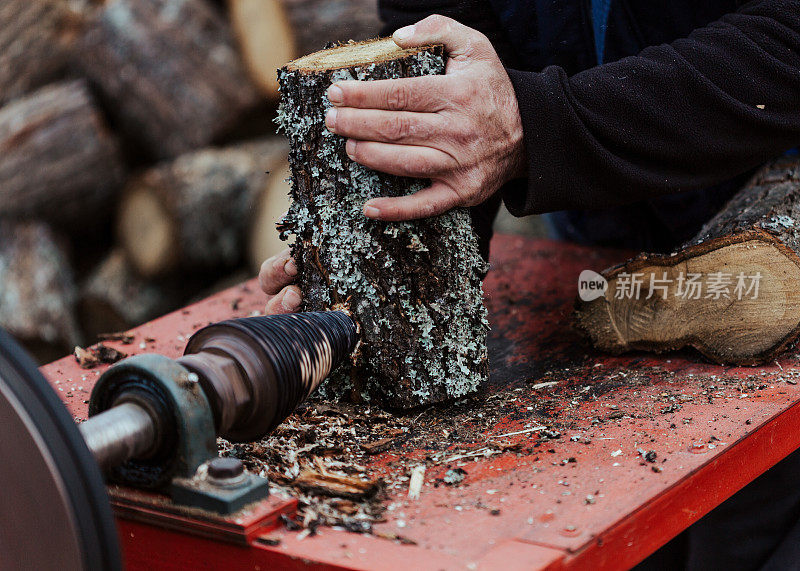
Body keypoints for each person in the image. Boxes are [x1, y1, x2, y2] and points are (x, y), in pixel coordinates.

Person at [260, 2, 800, 568]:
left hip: (771, 238)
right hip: (604, 253)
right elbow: (445, 38)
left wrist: (537, 123)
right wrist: (383, 266)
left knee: (748, 526)